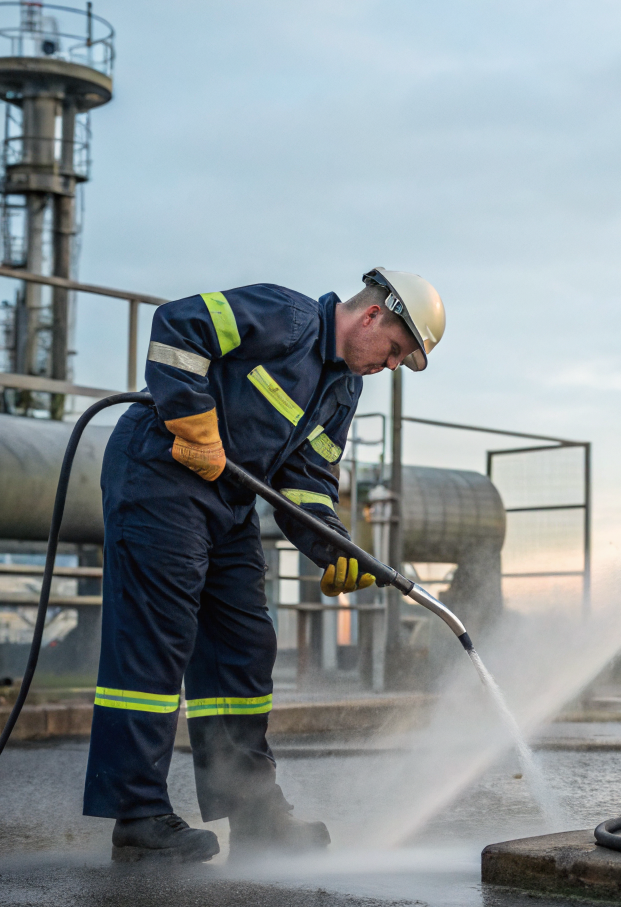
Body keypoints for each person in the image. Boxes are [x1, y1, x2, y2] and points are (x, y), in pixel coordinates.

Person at [85, 268, 445, 862]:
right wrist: (193, 421)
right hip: (159, 471)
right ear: (374, 316)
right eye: (394, 351)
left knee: (244, 645)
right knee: (157, 639)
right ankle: (138, 815)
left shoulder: (341, 391)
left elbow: (305, 483)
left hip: (227, 496)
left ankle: (252, 810)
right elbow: (177, 324)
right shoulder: (287, 317)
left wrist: (335, 549)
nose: (388, 366)